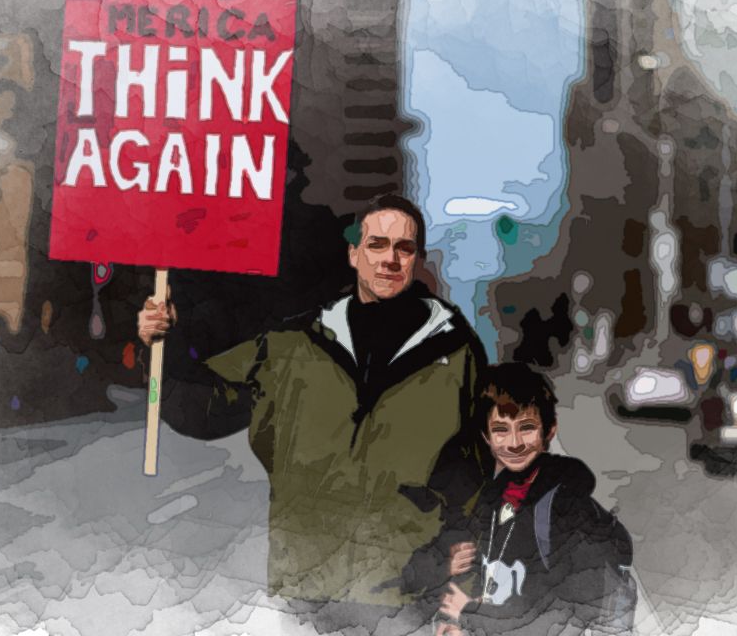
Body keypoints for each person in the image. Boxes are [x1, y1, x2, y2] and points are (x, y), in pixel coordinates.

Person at [137, 194, 487, 622]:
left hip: (406, 592)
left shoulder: (456, 352)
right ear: (354, 254)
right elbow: (202, 407)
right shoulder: (293, 344)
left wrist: (457, 595)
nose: (389, 259)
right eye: (376, 245)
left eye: (404, 248)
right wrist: (162, 348)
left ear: (418, 259)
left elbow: (473, 480)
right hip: (307, 586)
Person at [421, 362, 636, 635]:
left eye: (526, 427)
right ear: (486, 436)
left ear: (549, 431)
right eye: (501, 430)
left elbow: (559, 612)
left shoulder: (566, 508)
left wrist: (471, 615)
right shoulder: (494, 496)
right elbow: (505, 581)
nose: (514, 443)